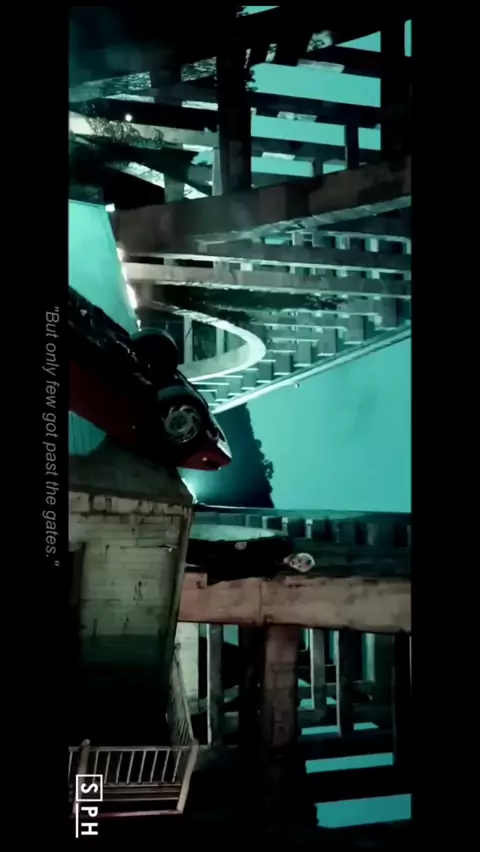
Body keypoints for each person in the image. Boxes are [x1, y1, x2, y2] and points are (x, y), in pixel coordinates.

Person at [186, 535, 315, 585]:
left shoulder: (272, 571)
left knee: (196, 560)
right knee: (201, 547)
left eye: (299, 566)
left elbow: (246, 573)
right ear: (299, 554)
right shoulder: (282, 544)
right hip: (234, 550)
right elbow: (262, 541)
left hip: (229, 564)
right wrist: (245, 544)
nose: (296, 563)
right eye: (299, 560)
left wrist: (220, 577)